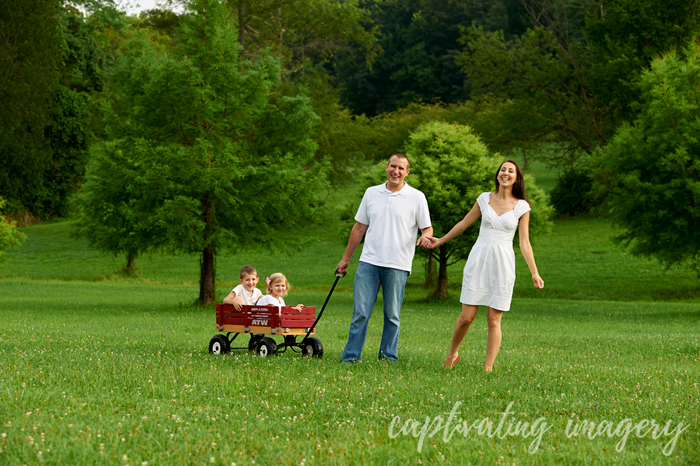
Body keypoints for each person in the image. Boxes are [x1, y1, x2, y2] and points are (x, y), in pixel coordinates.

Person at [424, 160, 543, 371]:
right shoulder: (484, 199)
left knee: (493, 320)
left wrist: (534, 272)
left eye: (510, 171)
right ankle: (452, 354)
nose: (505, 173)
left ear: (516, 178)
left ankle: (488, 368)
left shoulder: (522, 207)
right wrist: (441, 240)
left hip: (503, 265)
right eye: (503, 169)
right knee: (466, 318)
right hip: (479, 261)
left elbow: (524, 242)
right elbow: (463, 222)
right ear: (498, 175)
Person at [337, 153, 433, 362]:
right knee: (360, 313)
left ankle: (388, 357)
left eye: (401, 168)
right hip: (368, 262)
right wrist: (345, 259)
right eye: (392, 166)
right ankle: (350, 357)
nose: (395, 171)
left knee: (392, 315)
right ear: (386, 167)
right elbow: (359, 227)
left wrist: (425, 237)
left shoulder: (417, 197)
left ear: (407, 172)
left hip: (398, 264)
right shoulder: (372, 193)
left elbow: (427, 228)